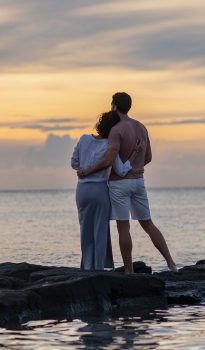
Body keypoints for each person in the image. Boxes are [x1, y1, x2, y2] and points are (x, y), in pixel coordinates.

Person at [77, 92, 178, 273]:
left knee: (123, 227)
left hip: (119, 184)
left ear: (114, 106)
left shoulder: (117, 130)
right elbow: (148, 157)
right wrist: (134, 167)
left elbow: (109, 159)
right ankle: (171, 263)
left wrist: (87, 171)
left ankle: (129, 271)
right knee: (148, 224)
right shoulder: (141, 127)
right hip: (139, 181)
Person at [71, 111, 140, 271]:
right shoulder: (110, 146)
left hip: (82, 190)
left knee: (85, 228)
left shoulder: (84, 139)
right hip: (100, 189)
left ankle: (87, 266)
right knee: (100, 230)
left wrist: (83, 169)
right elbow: (122, 171)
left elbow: (74, 162)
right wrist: (135, 153)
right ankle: (99, 267)